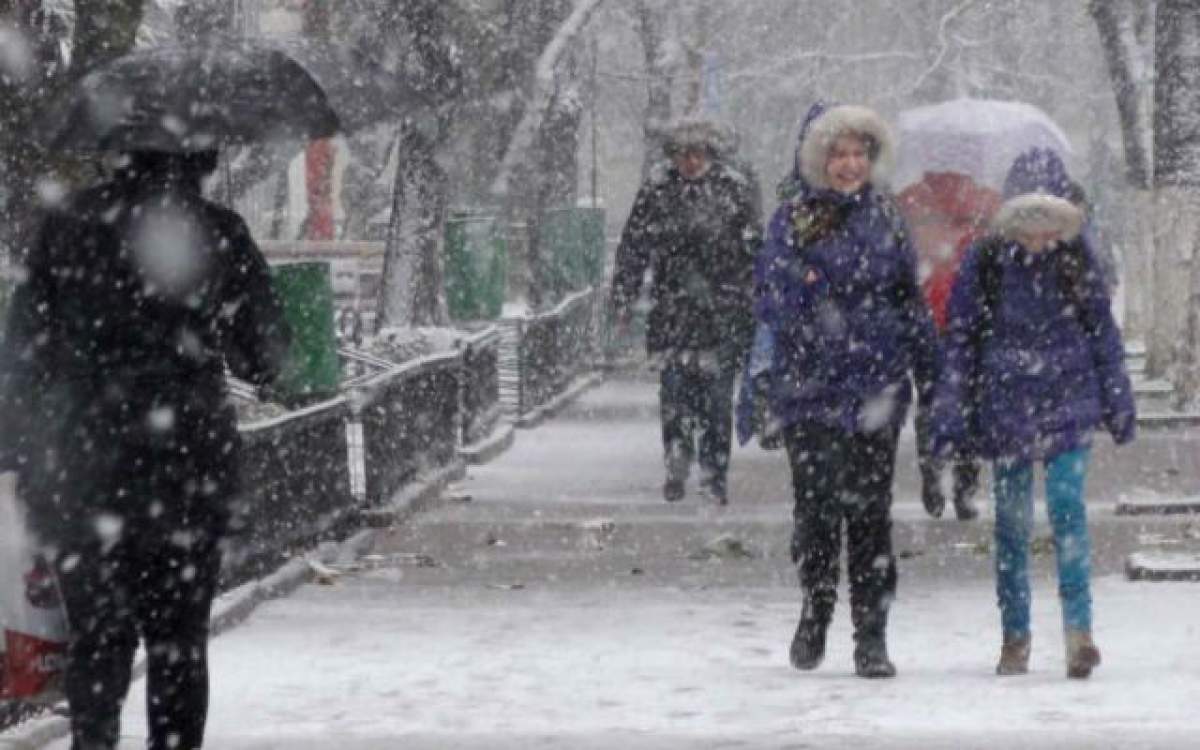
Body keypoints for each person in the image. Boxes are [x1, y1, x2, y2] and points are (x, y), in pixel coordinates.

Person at [0, 149, 290, 749]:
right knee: (178, 646)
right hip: (187, 472)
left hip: (82, 470)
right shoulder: (215, 231)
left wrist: (20, 453)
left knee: (98, 641)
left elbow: (22, 351)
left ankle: (94, 741)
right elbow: (265, 358)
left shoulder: (68, 228)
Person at [930, 147, 1135, 679]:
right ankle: (1015, 636)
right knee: (1012, 525)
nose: (1039, 236)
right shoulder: (987, 260)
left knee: (1068, 510)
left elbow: (1102, 334)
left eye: (1050, 221)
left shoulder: (1078, 258)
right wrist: (951, 413)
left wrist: (1117, 399)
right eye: (1029, 221)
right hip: (1007, 408)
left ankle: (1079, 634)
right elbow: (962, 342)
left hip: (1069, 402)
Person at [755, 102, 938, 679]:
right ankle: (816, 608)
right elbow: (771, 297)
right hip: (810, 390)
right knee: (815, 510)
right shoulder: (794, 218)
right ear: (819, 159)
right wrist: (805, 291)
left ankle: (872, 636)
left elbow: (908, 299)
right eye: (838, 154)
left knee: (870, 515)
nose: (849, 164)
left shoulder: (887, 217)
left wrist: (932, 373)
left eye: (859, 153)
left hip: (877, 386)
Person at [610, 119, 761, 505]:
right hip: (674, 311)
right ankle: (677, 456)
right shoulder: (657, 191)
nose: (690, 161)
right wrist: (624, 297)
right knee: (675, 393)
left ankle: (714, 472)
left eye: (697, 154)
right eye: (682, 154)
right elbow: (633, 247)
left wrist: (753, 299)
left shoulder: (734, 190)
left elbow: (754, 251)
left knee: (715, 399)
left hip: (721, 313)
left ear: (711, 154)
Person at [896, 171, 1000, 521]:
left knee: (934, 403)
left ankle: (935, 471)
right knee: (968, 405)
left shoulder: (911, 201)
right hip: (964, 322)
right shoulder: (986, 203)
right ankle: (963, 486)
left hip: (933, 319)